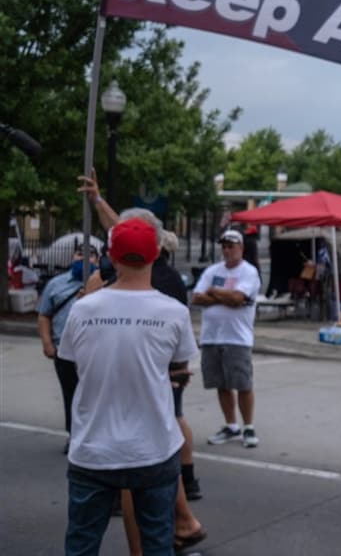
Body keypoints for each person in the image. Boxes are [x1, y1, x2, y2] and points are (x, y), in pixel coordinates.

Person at [58, 218, 198, 554]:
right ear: (155, 255)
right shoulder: (174, 312)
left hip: (93, 449)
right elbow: (179, 369)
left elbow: (77, 364)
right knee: (156, 543)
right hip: (153, 449)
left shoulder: (82, 309)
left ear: (110, 256)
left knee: (81, 544)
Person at [193, 229, 262, 448]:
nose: (227, 250)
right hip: (212, 337)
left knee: (242, 384)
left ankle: (248, 427)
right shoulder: (212, 270)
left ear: (241, 248)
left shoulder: (248, 272)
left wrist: (213, 291)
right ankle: (231, 426)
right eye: (224, 246)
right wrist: (225, 298)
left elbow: (238, 298)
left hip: (237, 338)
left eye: (231, 246)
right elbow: (197, 298)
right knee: (221, 384)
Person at [36, 245, 97, 453]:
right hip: (64, 351)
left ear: (97, 261)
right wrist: (47, 343)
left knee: (94, 396)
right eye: (80, 255)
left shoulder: (104, 284)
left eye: (90, 256)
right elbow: (44, 314)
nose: (84, 259)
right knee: (71, 395)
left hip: (95, 354)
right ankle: (74, 436)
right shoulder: (56, 284)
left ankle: (94, 437)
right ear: (73, 257)